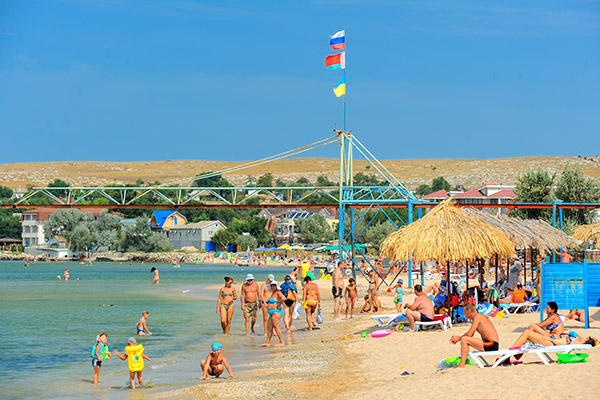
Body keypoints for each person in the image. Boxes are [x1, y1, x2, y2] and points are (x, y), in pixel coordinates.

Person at [450, 303, 500, 368]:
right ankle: (462, 364)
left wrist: (458, 338)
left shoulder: (477, 317)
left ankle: (462, 364)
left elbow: (469, 334)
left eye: (464, 311)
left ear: (469, 311)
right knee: (465, 339)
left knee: (464, 339)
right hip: (491, 343)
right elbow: (470, 335)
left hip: (491, 344)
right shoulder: (477, 317)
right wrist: (459, 338)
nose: (463, 313)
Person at [510, 329, 597, 349]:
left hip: (551, 344)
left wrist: (551, 340)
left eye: (588, 336)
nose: (586, 336)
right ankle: (512, 354)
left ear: (587, 339)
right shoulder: (577, 340)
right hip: (551, 342)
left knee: (527, 333)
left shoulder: (577, 343)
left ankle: (509, 352)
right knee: (527, 339)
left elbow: (562, 345)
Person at [261, 281, 286, 347]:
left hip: (276, 312)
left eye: (274, 285)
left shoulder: (278, 292)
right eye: (271, 286)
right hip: (271, 313)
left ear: (276, 286)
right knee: (269, 327)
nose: (272, 287)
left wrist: (279, 304)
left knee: (276, 327)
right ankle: (267, 342)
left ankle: (281, 342)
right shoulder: (273, 293)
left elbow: (283, 298)